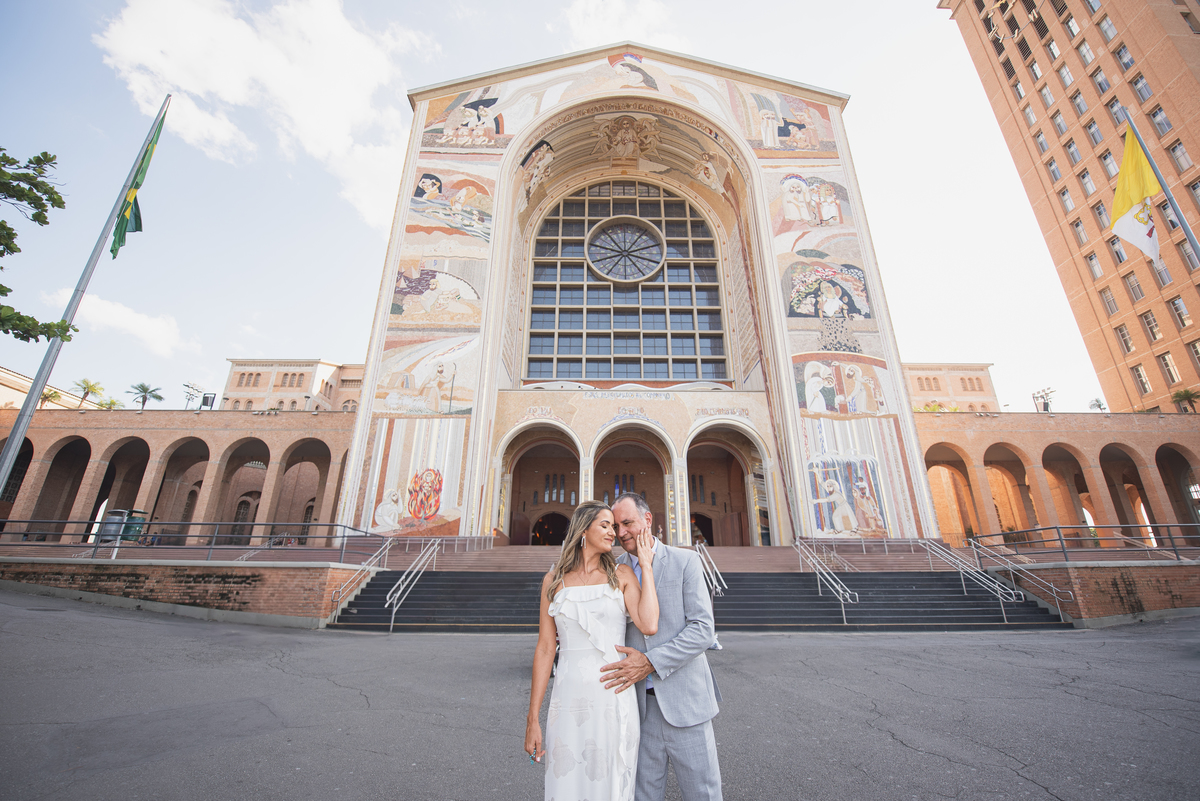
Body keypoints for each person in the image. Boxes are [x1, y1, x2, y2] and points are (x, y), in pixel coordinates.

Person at [526, 500, 660, 801]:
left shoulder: (622, 574)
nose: (614, 532)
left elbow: (649, 623)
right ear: (583, 529)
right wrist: (532, 719)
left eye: (615, 526)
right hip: (567, 699)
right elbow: (546, 649)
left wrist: (647, 567)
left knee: (609, 784)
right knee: (567, 785)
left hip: (612, 697)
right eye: (605, 525)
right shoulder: (554, 581)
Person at [601, 492, 723, 801]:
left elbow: (702, 630)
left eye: (628, 522)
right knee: (642, 794)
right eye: (616, 526)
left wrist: (651, 661)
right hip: (639, 707)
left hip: (686, 704)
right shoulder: (614, 571)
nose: (622, 532)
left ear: (648, 520)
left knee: (703, 793)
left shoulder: (686, 561)